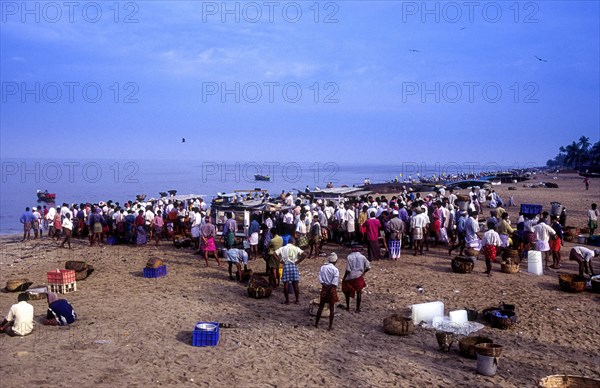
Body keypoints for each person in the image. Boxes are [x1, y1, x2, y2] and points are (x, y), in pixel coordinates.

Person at [274, 239, 306, 305]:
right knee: (295, 284)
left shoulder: (283, 248)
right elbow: (305, 254)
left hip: (286, 265)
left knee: (286, 284)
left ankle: (287, 301)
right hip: (294, 265)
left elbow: (274, 254)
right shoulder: (296, 248)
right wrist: (299, 261)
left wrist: (280, 260)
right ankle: (297, 300)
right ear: (293, 242)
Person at [342, 244, 371, 312]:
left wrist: (344, 277)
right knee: (359, 292)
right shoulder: (362, 257)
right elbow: (368, 267)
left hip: (350, 277)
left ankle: (348, 307)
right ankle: (357, 308)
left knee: (347, 292)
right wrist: (363, 273)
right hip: (359, 276)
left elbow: (348, 270)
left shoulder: (349, 257)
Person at [315, 253, 340, 330]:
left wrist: (325, 285)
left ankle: (316, 324)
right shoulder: (335, 270)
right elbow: (334, 283)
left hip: (324, 288)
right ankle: (330, 326)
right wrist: (329, 287)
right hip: (331, 289)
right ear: (335, 261)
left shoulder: (323, 267)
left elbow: (320, 278)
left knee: (321, 306)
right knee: (331, 308)